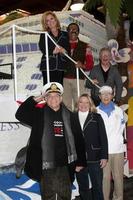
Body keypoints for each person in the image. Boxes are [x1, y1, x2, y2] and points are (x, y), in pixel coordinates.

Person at [15, 82, 77, 200]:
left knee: (65, 195)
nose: (53, 98)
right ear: (46, 99)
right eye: (49, 96)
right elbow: (20, 114)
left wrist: (80, 162)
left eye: (56, 96)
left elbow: (78, 139)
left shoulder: (70, 116)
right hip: (45, 164)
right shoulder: (38, 114)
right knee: (48, 196)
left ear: (61, 98)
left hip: (65, 164)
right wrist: (36, 99)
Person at [71, 93, 108, 200]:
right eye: (81, 102)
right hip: (79, 158)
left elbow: (103, 138)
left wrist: (104, 156)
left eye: (86, 102)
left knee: (97, 187)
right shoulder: (71, 117)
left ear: (90, 104)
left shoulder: (97, 117)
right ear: (78, 104)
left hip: (95, 157)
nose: (83, 104)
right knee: (83, 188)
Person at [97, 85, 125, 200]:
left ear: (112, 95)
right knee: (104, 178)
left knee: (118, 177)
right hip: (103, 151)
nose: (106, 96)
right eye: (103, 94)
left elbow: (122, 128)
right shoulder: (95, 111)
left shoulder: (119, 110)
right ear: (99, 96)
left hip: (117, 150)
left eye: (108, 94)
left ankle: (118, 198)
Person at [63, 22, 94, 111]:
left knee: (80, 104)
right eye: (71, 29)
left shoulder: (86, 46)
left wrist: (82, 65)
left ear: (78, 32)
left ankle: (79, 123)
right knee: (66, 105)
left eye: (75, 29)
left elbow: (90, 64)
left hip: (79, 79)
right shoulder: (62, 45)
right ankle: (68, 124)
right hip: (64, 79)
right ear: (67, 32)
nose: (73, 31)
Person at [39, 11, 70, 85]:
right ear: (46, 23)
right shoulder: (44, 34)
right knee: (48, 89)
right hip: (47, 65)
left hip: (60, 65)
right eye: (47, 21)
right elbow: (42, 48)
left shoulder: (65, 34)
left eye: (51, 19)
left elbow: (68, 49)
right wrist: (53, 52)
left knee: (59, 89)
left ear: (56, 20)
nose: (50, 22)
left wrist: (64, 51)